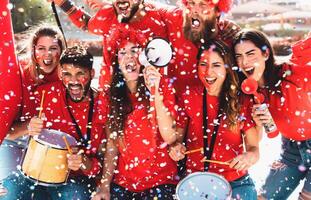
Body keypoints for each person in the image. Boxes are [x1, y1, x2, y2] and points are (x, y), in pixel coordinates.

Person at [48, 0, 238, 94]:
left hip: (160, 104)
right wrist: (63, 3)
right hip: (113, 99)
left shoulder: (164, 16)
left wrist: (226, 26)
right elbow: (87, 25)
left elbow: (200, 18)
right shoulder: (108, 14)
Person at [0, 46, 108, 200]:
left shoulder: (103, 104)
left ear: (92, 74)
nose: (74, 81)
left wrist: (84, 162)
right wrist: (28, 126)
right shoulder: (45, 94)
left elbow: (104, 163)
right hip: (33, 173)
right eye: (67, 74)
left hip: (74, 180)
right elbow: (7, 132)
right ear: (59, 74)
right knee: (7, 193)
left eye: (80, 74)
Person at [92, 28, 178, 200]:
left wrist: (155, 93)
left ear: (145, 58)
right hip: (123, 184)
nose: (129, 57)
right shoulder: (109, 95)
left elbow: (169, 137)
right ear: (116, 61)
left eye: (134, 51)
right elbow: (112, 145)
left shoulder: (162, 86)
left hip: (160, 182)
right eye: (122, 52)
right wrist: (104, 186)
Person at [169, 40, 259, 199]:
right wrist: (176, 149)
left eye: (216, 65)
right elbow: (176, 141)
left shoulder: (242, 100)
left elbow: (254, 150)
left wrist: (248, 157)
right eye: (203, 64)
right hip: (195, 182)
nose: (208, 72)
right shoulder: (189, 96)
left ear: (227, 69)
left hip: (236, 182)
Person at [232, 29, 311, 200]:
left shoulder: (291, 72)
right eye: (239, 56)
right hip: (290, 151)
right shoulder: (248, 93)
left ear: (266, 53)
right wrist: (259, 124)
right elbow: (259, 139)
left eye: (250, 54)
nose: (244, 62)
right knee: (264, 198)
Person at [0, 25, 65, 197]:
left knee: (43, 191)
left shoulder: (67, 76)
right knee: (9, 190)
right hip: (16, 141)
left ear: (61, 51)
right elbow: (7, 132)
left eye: (53, 48)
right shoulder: (19, 73)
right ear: (33, 51)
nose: (47, 54)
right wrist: (27, 127)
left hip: (50, 144)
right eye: (41, 49)